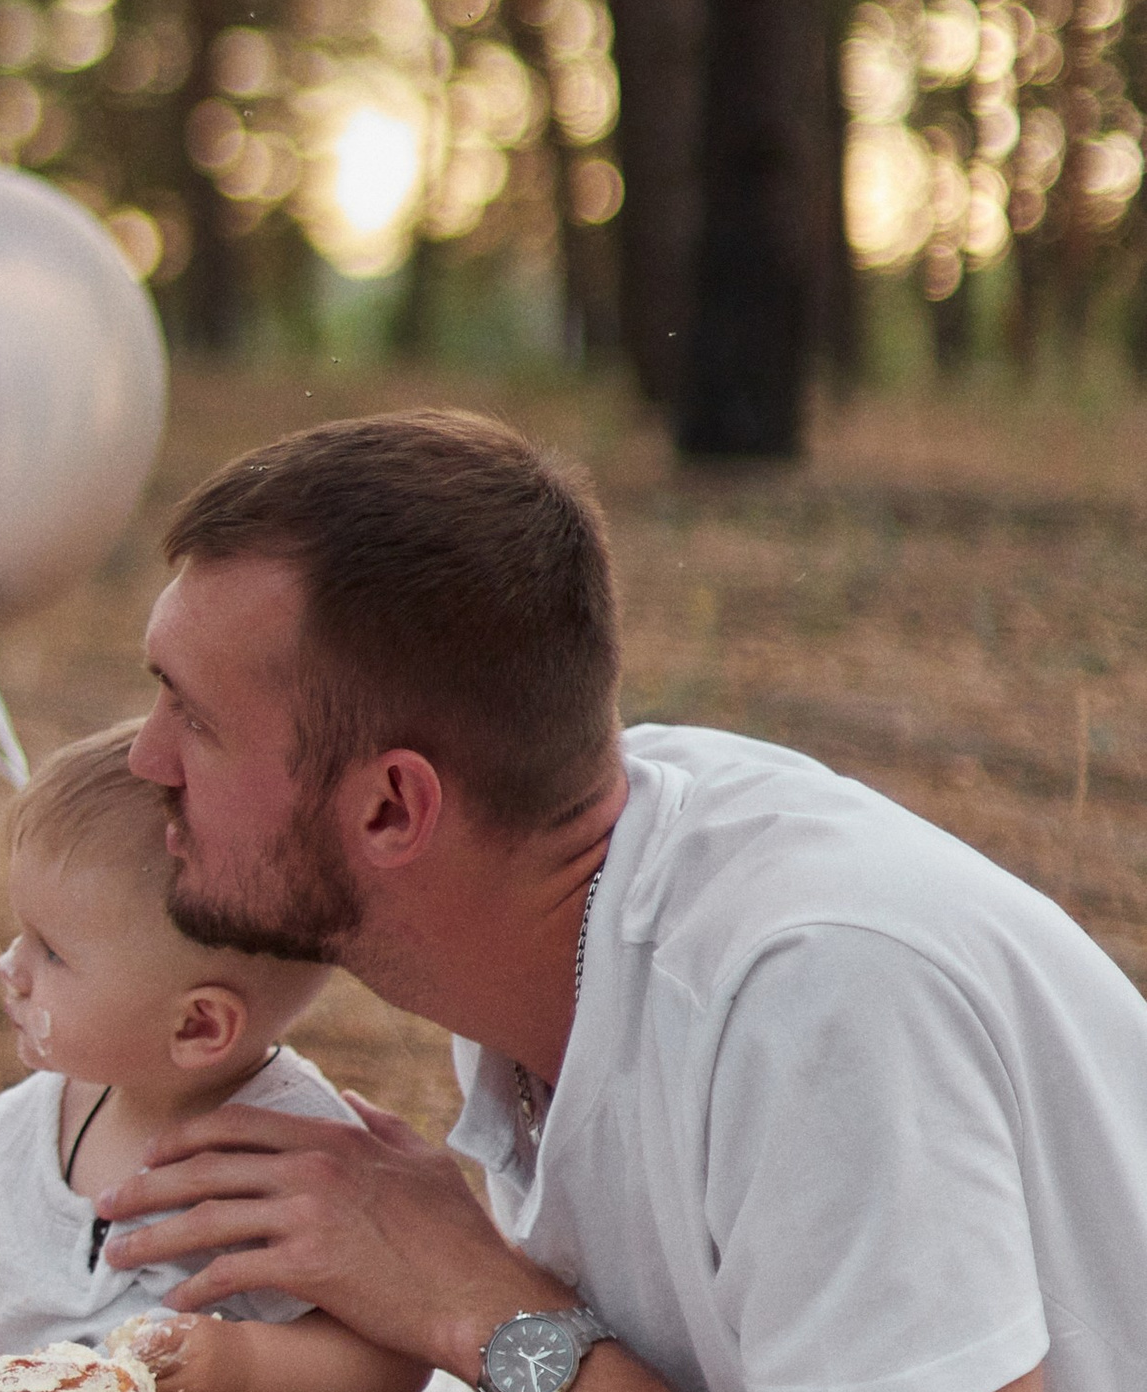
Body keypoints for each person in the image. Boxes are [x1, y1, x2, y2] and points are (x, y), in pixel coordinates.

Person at [93, 410, 1147, 1392]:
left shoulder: (812, 996)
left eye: (196, 719)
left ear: (390, 808)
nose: (147, 757)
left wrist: (479, 1303)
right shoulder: (536, 917)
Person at [0, 721, 424, 1392]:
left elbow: (391, 1353)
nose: (9, 967)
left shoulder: (295, 1159)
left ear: (198, 1025)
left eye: (51, 951)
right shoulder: (15, 1132)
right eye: (19, 933)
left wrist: (244, 1365)